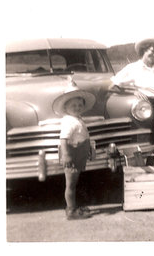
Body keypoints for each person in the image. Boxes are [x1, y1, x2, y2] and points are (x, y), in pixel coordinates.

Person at [53, 80, 96, 220]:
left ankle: (74, 206)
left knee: (74, 182)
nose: (77, 108)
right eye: (73, 105)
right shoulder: (69, 121)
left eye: (80, 105)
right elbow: (64, 139)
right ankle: (71, 210)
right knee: (70, 184)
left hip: (79, 154)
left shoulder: (77, 119)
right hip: (72, 155)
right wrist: (66, 155)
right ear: (66, 107)